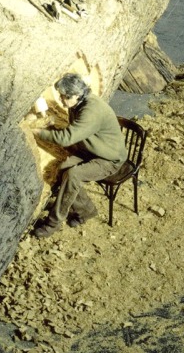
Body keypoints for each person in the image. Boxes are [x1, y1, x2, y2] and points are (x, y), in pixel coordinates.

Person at [32, 73, 127, 239]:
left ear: (76, 95)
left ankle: (52, 223)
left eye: (64, 98)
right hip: (91, 151)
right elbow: (74, 131)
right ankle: (86, 211)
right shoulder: (77, 104)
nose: (61, 101)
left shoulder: (91, 110)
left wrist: (39, 133)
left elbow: (67, 138)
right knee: (62, 168)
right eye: (60, 97)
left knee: (73, 174)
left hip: (108, 159)